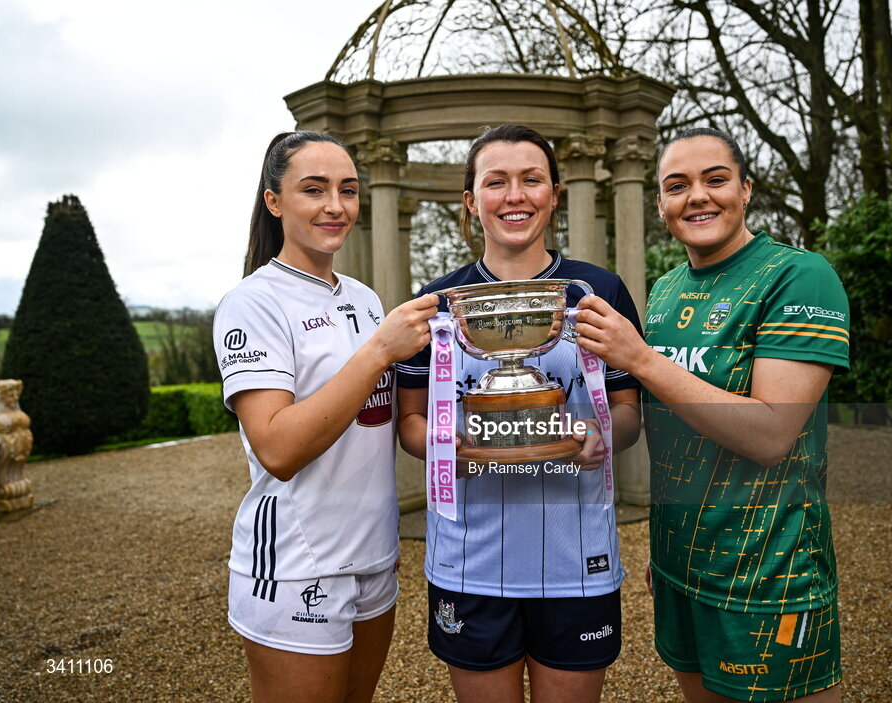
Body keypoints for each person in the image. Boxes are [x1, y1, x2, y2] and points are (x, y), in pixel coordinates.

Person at [573, 127, 849, 703]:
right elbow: (671, 428)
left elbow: (773, 431)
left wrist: (641, 360)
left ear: (745, 189)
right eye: (678, 186)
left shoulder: (799, 275)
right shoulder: (668, 289)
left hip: (768, 576)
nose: (697, 196)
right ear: (661, 206)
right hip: (682, 572)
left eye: (715, 180)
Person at [396, 124, 643, 703]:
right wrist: (447, 444)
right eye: (496, 181)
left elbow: (630, 409)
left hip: (577, 556)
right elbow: (410, 424)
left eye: (532, 180)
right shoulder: (435, 305)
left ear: (554, 193)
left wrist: (601, 433)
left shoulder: (596, 291)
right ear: (471, 199)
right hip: (469, 559)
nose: (515, 196)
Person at [213, 130, 438, 703]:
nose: (335, 206)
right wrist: (379, 351)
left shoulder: (364, 299)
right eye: (314, 190)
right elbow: (277, 448)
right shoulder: (253, 302)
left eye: (348, 190)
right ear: (274, 201)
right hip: (294, 563)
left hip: (374, 554)